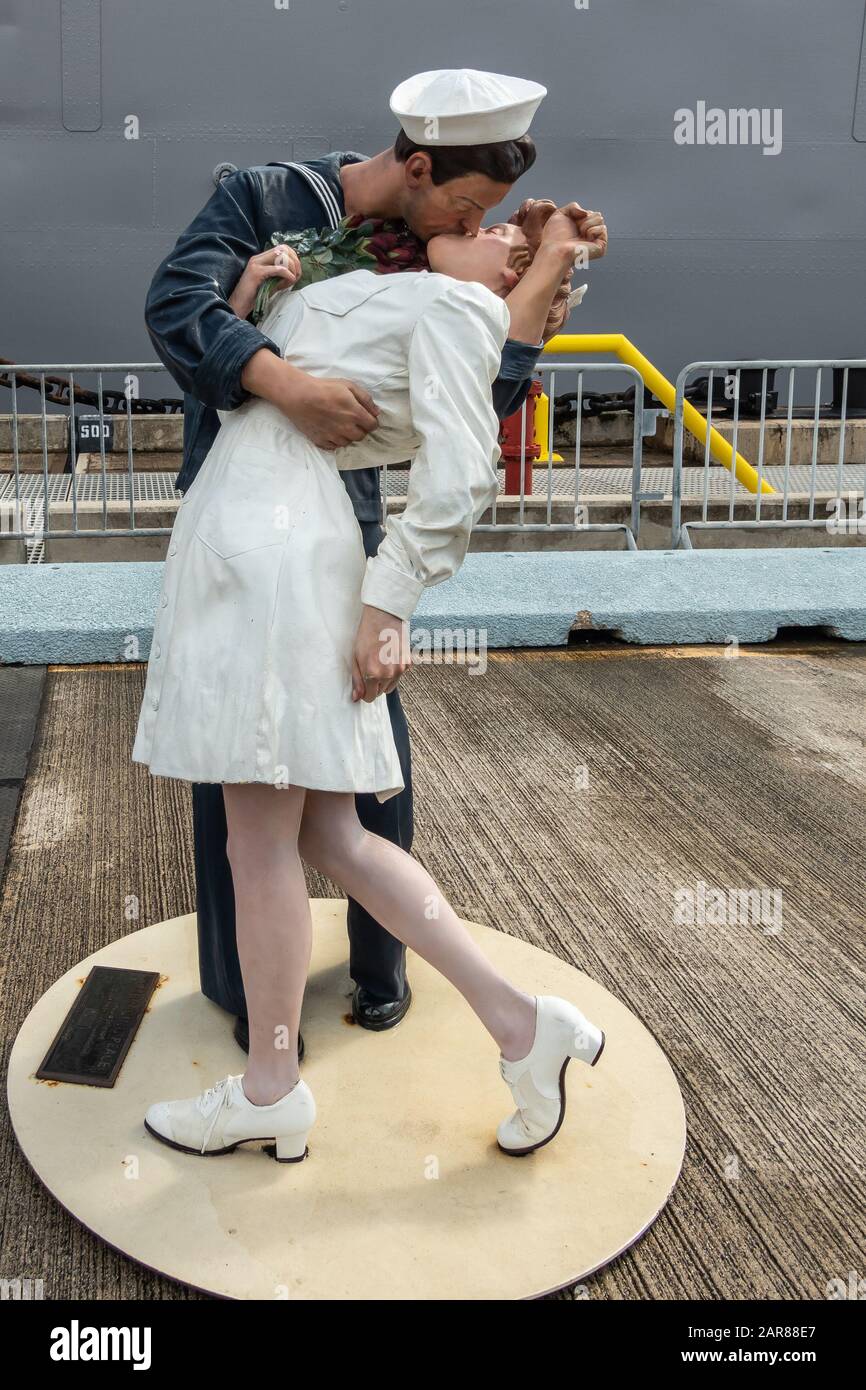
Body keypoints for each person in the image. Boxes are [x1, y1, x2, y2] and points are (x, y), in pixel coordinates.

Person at [142, 68, 608, 1055]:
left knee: (353, 788)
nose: (474, 221)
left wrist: (528, 286)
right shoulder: (265, 198)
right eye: (465, 205)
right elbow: (177, 302)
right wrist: (287, 385)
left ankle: (369, 983)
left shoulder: (437, 274)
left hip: (330, 526)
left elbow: (461, 424)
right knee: (259, 787)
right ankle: (248, 999)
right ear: (419, 165)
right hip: (257, 511)